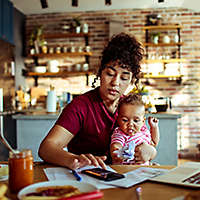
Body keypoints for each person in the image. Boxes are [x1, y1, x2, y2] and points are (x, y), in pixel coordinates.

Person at [38, 32, 157, 170]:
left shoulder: (131, 107)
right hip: (86, 175)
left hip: (124, 176)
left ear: (131, 80)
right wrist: (73, 159)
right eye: (110, 74)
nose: (115, 83)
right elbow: (46, 148)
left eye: (124, 78)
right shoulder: (81, 106)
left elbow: (146, 141)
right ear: (100, 72)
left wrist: (151, 152)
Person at [110, 93, 160, 165]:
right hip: (127, 170)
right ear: (118, 120)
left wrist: (154, 128)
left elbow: (154, 143)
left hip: (144, 170)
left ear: (143, 121)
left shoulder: (143, 132)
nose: (130, 124)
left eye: (136, 121)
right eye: (125, 120)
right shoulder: (120, 133)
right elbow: (116, 145)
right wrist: (117, 152)